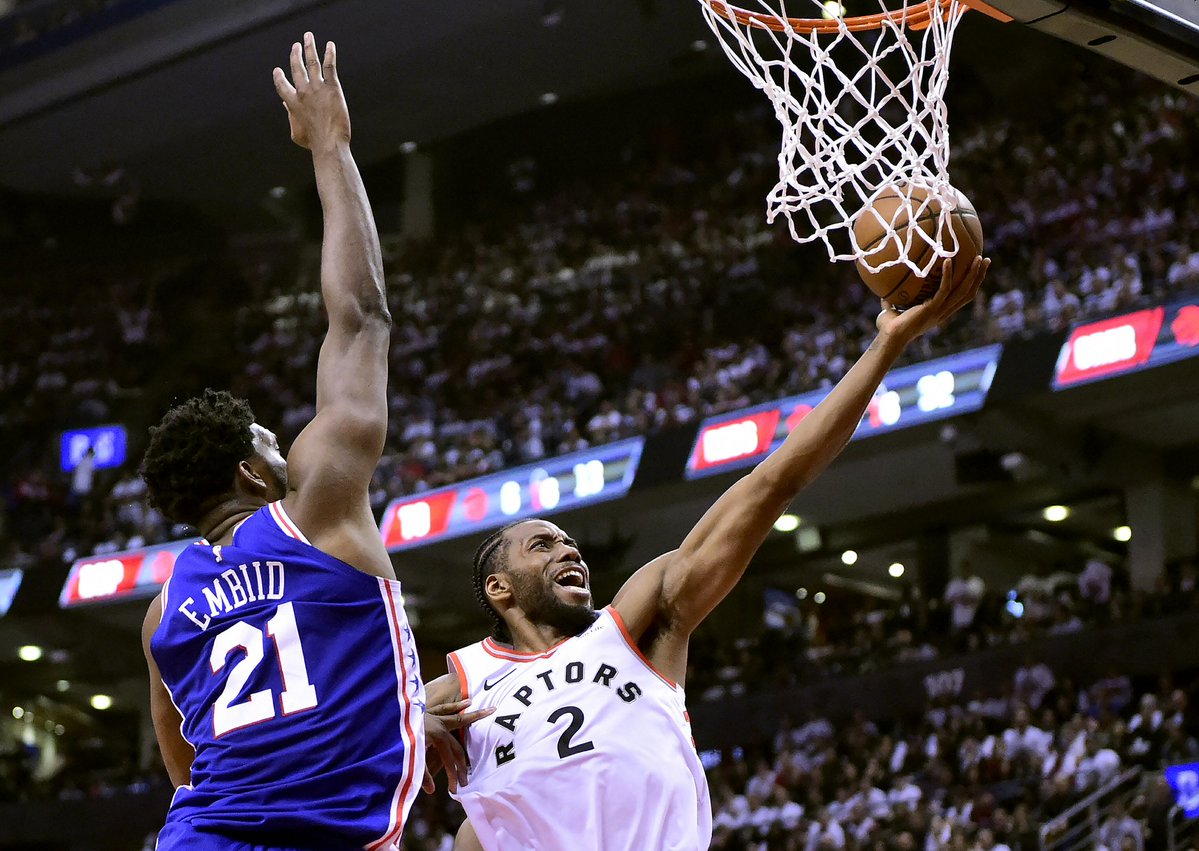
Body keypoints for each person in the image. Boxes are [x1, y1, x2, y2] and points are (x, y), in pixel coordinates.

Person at [426, 257, 989, 850]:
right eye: (542, 545)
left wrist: (886, 346)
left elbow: (771, 484)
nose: (569, 551)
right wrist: (406, 731)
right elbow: (361, 736)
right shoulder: (465, 682)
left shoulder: (637, 624)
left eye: (570, 543)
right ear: (499, 587)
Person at [139, 34, 481, 851]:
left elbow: (188, 765)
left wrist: (395, 711)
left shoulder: (163, 609)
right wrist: (331, 145)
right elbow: (361, 319)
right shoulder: (315, 510)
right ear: (251, 471)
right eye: (269, 438)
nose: (285, 445)